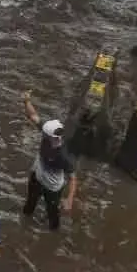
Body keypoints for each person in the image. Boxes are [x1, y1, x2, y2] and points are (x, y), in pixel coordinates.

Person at [22, 91, 79, 230]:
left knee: (53, 214)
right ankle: (24, 223)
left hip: (52, 188)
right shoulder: (49, 133)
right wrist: (26, 101)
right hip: (37, 177)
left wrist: (69, 200)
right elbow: (33, 116)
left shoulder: (64, 156)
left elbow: (72, 178)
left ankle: (54, 232)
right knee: (29, 205)